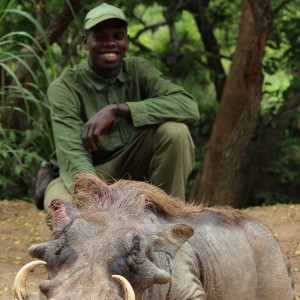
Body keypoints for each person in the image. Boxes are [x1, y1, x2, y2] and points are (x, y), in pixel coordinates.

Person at [39, 3, 199, 209]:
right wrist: (99, 199)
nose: (110, 43)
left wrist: (120, 109)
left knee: (176, 132)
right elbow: (74, 158)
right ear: (85, 42)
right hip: (90, 172)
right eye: (100, 37)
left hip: (136, 169)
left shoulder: (139, 70)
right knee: (61, 208)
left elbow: (187, 106)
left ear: (126, 41)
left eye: (117, 36)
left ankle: (168, 219)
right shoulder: (64, 87)